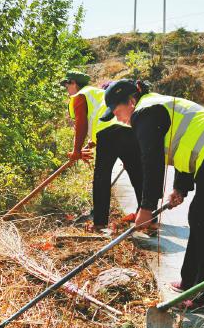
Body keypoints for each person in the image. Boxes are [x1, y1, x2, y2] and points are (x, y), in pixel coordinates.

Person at [100, 79, 204, 310]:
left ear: (131, 101)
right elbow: (184, 143)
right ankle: (189, 281)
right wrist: (181, 187)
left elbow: (152, 161)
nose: (119, 119)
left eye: (118, 112)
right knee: (198, 216)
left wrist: (146, 207)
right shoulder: (155, 107)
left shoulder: (145, 112)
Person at [60, 71, 144, 232]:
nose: (66, 88)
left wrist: (76, 150)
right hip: (127, 129)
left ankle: (100, 222)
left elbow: (82, 122)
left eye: (67, 84)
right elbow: (98, 116)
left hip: (108, 132)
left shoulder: (81, 95)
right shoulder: (98, 93)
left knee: (101, 177)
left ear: (74, 83)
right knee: (137, 172)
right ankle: (146, 215)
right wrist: (91, 142)